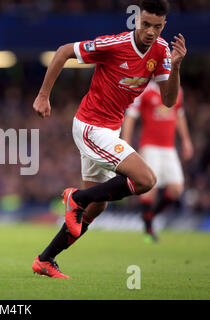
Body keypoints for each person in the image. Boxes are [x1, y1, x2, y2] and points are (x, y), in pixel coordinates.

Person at [31, 0, 187, 278]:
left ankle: (45, 259)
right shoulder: (114, 45)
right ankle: (75, 198)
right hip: (90, 127)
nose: (151, 31)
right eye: (146, 24)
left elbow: (169, 100)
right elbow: (64, 51)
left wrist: (175, 67)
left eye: (158, 27)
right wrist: (43, 95)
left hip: (109, 129)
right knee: (146, 179)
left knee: (97, 206)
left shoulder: (162, 51)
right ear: (136, 20)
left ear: (164, 26)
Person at [121, 82, 193, 242]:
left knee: (176, 189)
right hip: (150, 146)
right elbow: (131, 116)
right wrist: (125, 142)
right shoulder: (145, 91)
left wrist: (186, 140)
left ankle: (149, 216)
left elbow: (179, 114)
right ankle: (148, 228)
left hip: (169, 148)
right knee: (150, 187)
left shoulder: (177, 90)